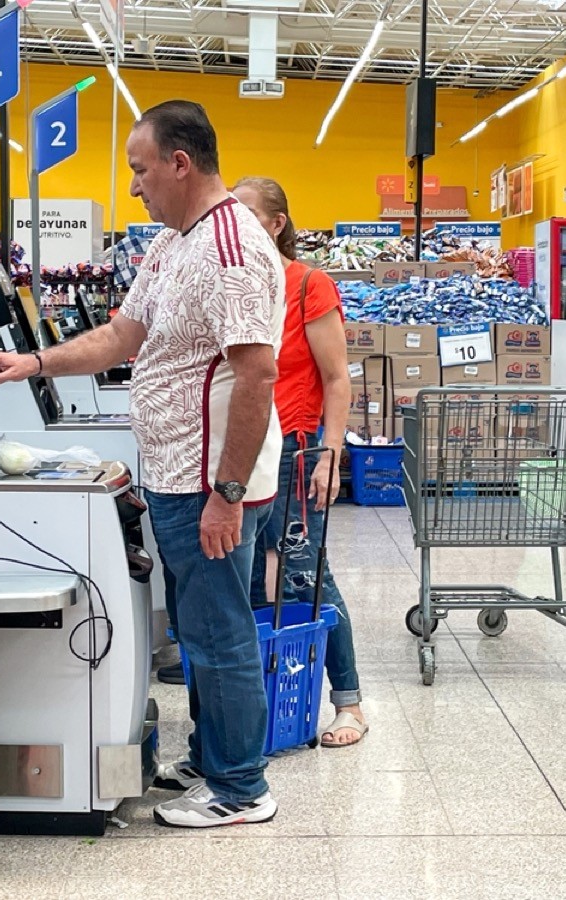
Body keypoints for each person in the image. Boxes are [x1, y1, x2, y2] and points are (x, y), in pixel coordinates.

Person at [0, 100, 286, 829]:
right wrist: (34, 361)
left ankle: (241, 789)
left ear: (180, 163)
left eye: (140, 169)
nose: (134, 186)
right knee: (203, 627)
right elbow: (122, 335)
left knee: (220, 631)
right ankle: (214, 759)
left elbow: (258, 376)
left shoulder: (232, 251)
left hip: (209, 480)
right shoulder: (176, 244)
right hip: (174, 473)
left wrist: (227, 495)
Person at [233, 177, 368, 748]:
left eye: (247, 216)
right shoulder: (235, 288)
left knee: (307, 572)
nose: (235, 228)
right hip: (238, 450)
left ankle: (350, 703)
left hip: (293, 445)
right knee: (246, 581)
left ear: (277, 223)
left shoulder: (308, 284)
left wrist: (329, 456)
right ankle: (270, 698)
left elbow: (338, 380)